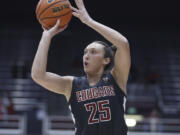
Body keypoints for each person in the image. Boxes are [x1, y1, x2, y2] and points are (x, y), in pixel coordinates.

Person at [31, 0, 131, 135]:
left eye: (93, 52)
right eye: (85, 52)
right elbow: (38, 75)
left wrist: (89, 21)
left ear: (106, 60)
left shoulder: (117, 79)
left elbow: (123, 43)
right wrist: (46, 37)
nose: (86, 56)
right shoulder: (72, 85)